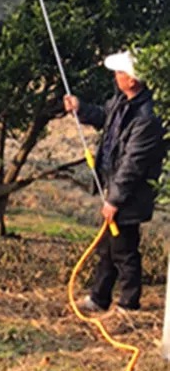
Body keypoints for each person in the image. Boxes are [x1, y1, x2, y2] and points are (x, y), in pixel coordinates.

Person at [63, 50, 166, 314]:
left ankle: (128, 305)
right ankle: (99, 298)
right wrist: (80, 108)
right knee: (108, 248)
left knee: (124, 251)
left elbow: (133, 164)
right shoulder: (121, 102)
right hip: (114, 187)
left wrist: (114, 199)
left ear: (133, 80)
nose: (116, 77)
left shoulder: (146, 117)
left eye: (120, 72)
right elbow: (102, 117)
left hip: (130, 194)